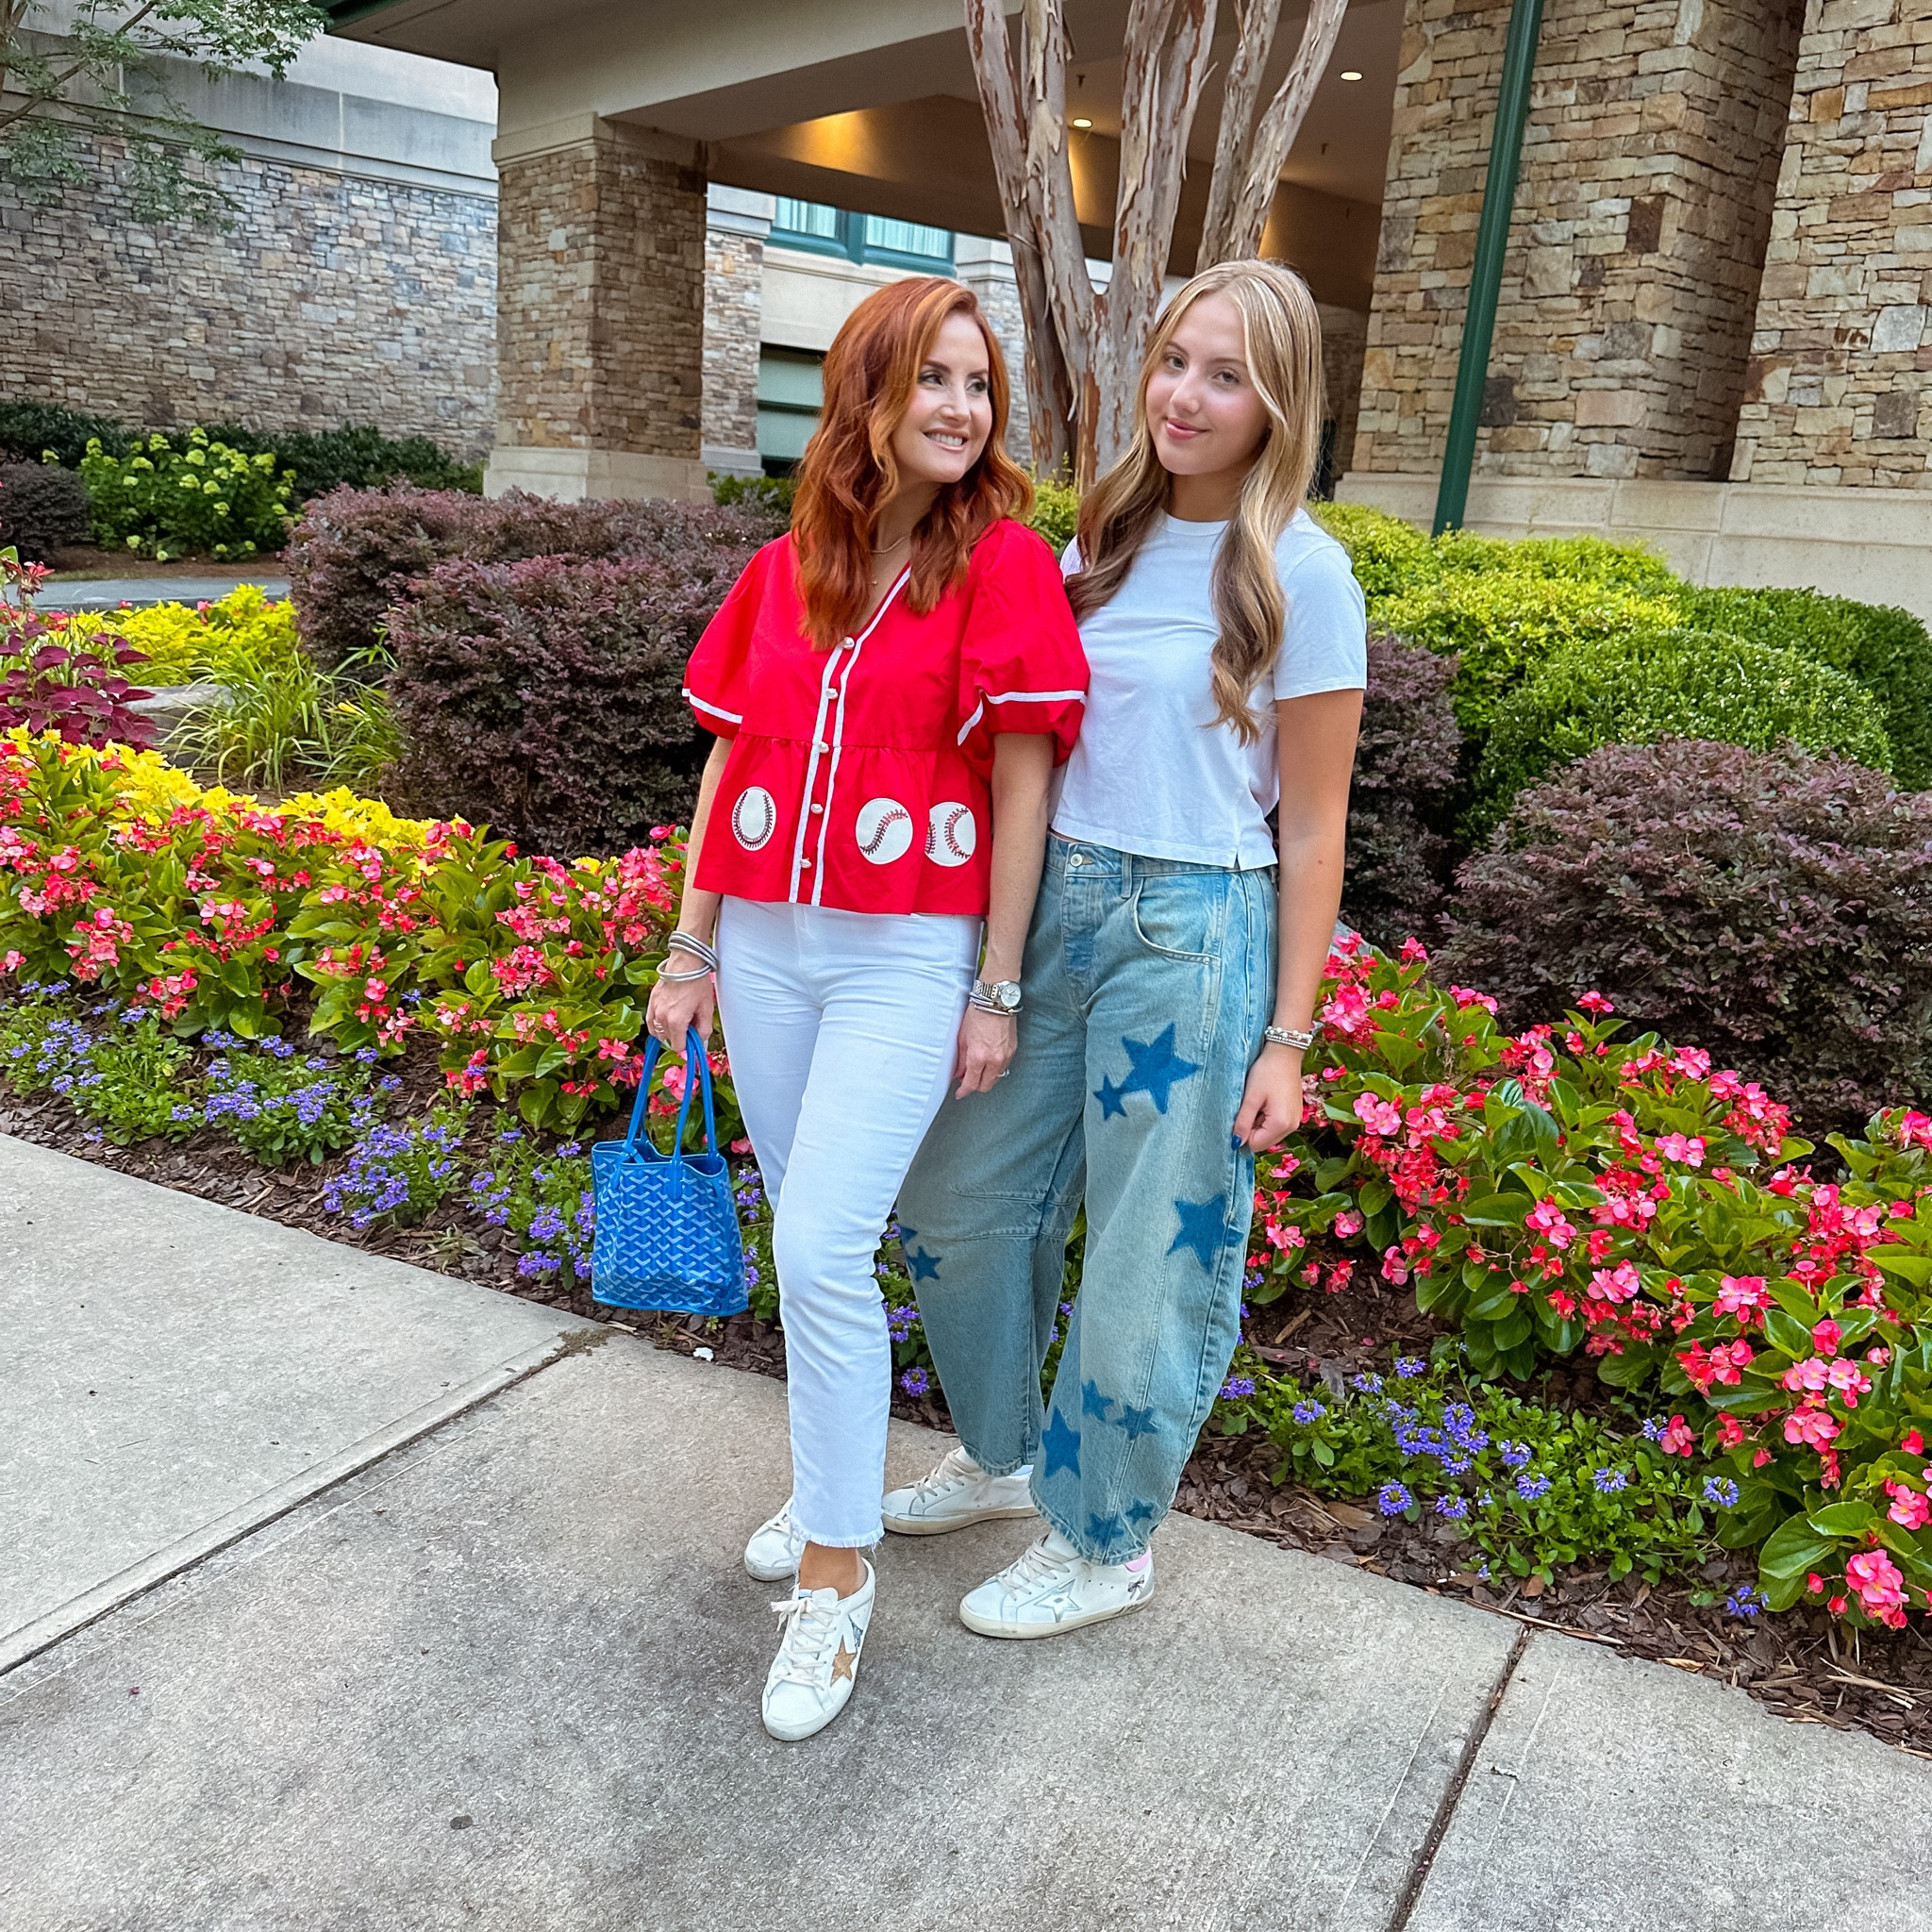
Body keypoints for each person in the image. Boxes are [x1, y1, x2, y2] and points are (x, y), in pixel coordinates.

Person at [891, 258, 1366, 1638]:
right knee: (960, 1205)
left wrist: (1291, 1034)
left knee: (1148, 1260)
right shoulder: (1088, 540)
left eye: (1227, 375)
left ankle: (1106, 1538)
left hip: (1192, 931)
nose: (1187, 396)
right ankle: (999, 1457)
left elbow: (1318, 831)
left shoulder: (1303, 574)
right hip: (1049, 911)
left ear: (1280, 403)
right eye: (1175, 362)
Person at [645, 275, 1087, 1739]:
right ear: (869, 398)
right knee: (812, 1240)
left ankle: (835, 1584)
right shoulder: (788, 570)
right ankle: (832, 1477)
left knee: (827, 1241)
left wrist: (997, 983)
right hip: (764, 948)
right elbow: (729, 761)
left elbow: (1024, 782)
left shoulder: (1004, 566)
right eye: (936, 381)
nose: (963, 407)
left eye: (980, 384)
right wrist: (691, 943)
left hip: (909, 951)